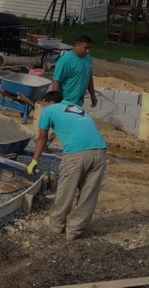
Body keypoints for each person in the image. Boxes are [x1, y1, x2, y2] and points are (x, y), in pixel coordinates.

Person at [28, 91, 107, 240]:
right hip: (100, 152)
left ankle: (56, 225)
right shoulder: (77, 109)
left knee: (66, 190)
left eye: (43, 104)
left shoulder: (48, 110)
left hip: (77, 154)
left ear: (47, 101)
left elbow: (42, 138)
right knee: (88, 195)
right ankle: (75, 231)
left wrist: (34, 161)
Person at [51, 35, 97, 107]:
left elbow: (89, 77)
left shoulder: (88, 58)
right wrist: (56, 103)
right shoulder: (66, 60)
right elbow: (56, 81)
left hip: (79, 102)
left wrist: (93, 95)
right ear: (76, 46)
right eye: (85, 48)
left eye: (89, 48)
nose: (88, 51)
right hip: (65, 102)